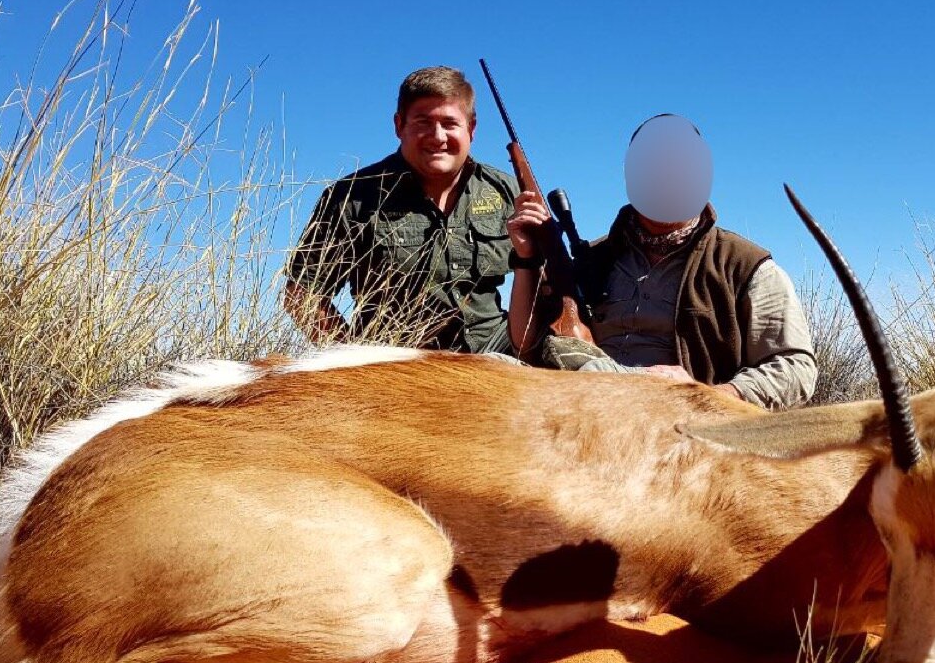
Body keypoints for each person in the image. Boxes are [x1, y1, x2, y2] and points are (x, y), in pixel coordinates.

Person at [509, 114, 819, 409]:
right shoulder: (594, 257)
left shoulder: (745, 266)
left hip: (677, 426)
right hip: (586, 408)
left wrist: (709, 396)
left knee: (596, 372)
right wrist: (527, 258)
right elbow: (527, 346)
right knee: (493, 367)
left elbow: (795, 367)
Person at [285, 66, 541, 354]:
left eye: (450, 123)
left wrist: (529, 256)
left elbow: (541, 289)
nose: (437, 136)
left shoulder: (507, 191)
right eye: (422, 122)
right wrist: (354, 361)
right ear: (399, 125)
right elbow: (301, 295)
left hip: (495, 350)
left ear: (471, 128)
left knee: (581, 362)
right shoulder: (351, 196)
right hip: (398, 362)